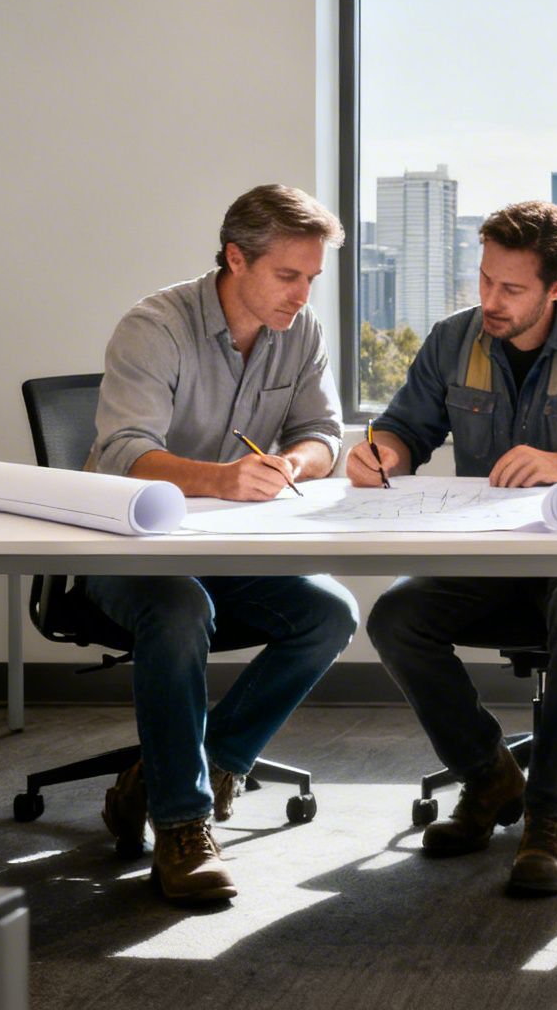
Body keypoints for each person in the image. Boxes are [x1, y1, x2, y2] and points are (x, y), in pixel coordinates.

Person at [350, 199, 557, 894]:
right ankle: (490, 777)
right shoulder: (453, 340)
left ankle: (551, 818)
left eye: (512, 289)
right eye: (485, 280)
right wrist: (382, 454)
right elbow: (407, 428)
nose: (491, 301)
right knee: (395, 618)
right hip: (493, 561)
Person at [85, 183, 360, 904]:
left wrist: (289, 464)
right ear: (237, 259)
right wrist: (221, 479)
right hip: (128, 550)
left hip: (223, 549)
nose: (302, 296)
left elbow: (323, 436)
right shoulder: (155, 327)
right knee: (178, 611)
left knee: (330, 614)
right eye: (288, 275)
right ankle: (181, 823)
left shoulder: (299, 332)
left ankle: (201, 761)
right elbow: (121, 453)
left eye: (312, 278)